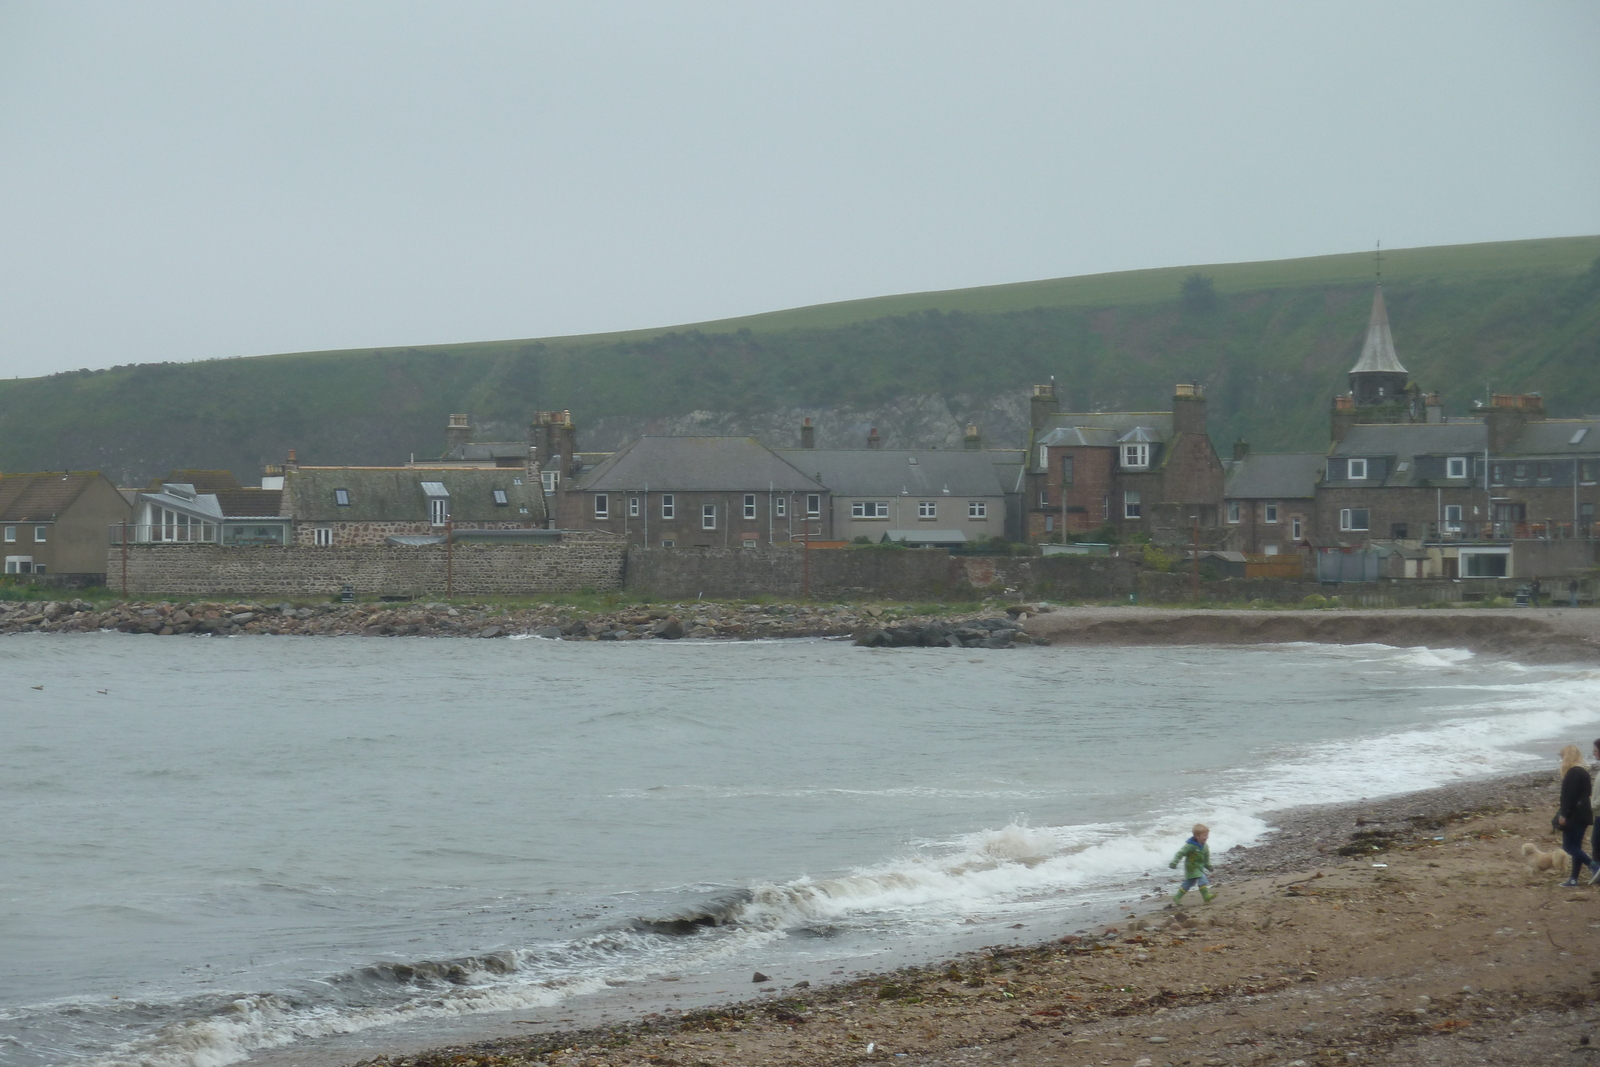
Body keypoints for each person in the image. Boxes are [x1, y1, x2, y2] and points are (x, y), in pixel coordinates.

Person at [1555, 744, 1598, 887]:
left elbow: (1569, 797)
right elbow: (1586, 793)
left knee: (1569, 847)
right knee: (1576, 847)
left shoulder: (1573, 773)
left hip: (1574, 815)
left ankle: (1593, 865)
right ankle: (1574, 878)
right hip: (1584, 814)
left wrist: (1564, 815)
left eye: (1562, 756)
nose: (1561, 759)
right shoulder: (1584, 772)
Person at [1168, 823, 1214, 904]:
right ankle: (1206, 896)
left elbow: (1206, 858)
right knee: (1202, 879)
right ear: (1197, 836)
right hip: (1191, 867)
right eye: (1204, 835)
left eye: (1207, 835)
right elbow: (1180, 853)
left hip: (1199, 867)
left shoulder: (1205, 846)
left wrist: (1208, 866)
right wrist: (1174, 862)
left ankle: (1177, 897)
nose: (1206, 837)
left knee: (1189, 883)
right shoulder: (1190, 845)